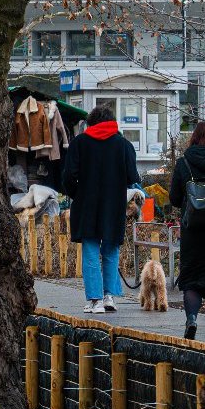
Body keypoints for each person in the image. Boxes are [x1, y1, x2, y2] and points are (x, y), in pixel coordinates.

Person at [61, 105, 142, 313]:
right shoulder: (124, 145)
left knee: (90, 250)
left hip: (87, 205)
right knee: (111, 249)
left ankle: (95, 300)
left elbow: (68, 176)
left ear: (91, 123)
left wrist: (77, 193)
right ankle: (109, 297)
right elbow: (133, 177)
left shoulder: (79, 143)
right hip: (113, 206)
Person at [170, 122, 205, 342]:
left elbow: (175, 198)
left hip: (192, 231)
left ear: (194, 138)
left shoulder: (184, 162)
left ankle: (192, 318)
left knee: (191, 280)